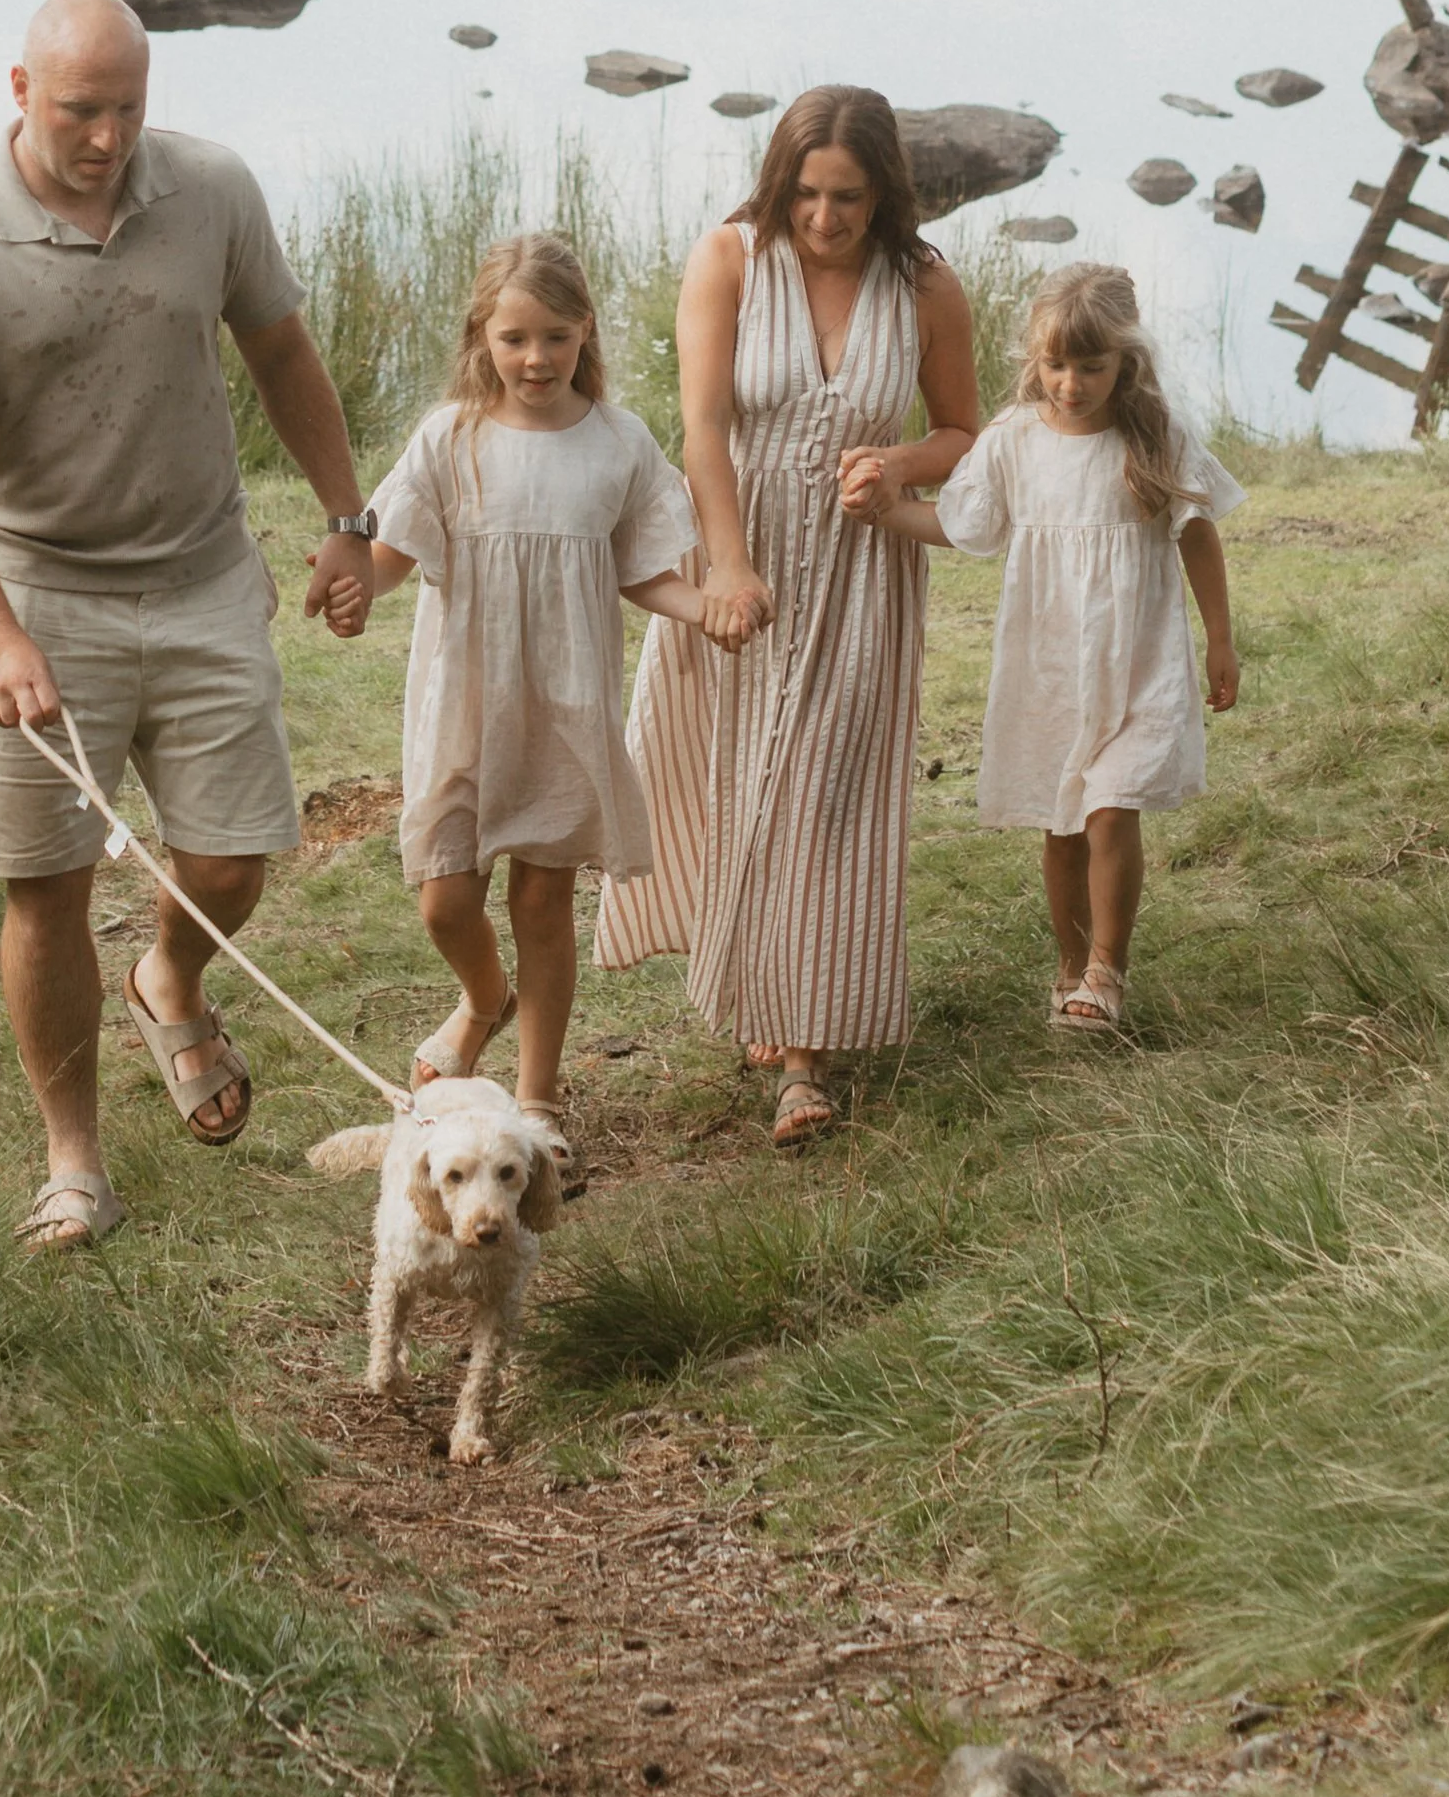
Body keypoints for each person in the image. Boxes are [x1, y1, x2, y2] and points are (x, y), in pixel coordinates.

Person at [0, 0, 379, 1249]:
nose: (108, 138)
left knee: (225, 864)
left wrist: (346, 517)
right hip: (42, 594)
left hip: (205, 574)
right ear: (18, 90)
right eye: (79, 110)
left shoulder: (210, 191)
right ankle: (75, 1162)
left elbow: (282, 352)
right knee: (42, 886)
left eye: (129, 108)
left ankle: (171, 977)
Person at [594, 87, 979, 1150]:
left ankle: (802, 1054)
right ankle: (767, 987)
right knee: (731, 773)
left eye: (847, 198)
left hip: (865, 565)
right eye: (806, 194)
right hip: (741, 548)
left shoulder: (926, 284)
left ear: (884, 192)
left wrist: (900, 462)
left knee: (823, 786)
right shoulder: (729, 259)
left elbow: (963, 432)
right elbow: (704, 429)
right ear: (780, 183)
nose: (823, 219)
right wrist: (727, 565)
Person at [323, 234, 729, 1178]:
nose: (535, 359)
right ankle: (483, 998)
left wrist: (700, 606)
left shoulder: (619, 443)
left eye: (554, 336)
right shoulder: (449, 437)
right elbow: (395, 553)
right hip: (465, 702)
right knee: (443, 897)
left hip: (564, 707)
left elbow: (643, 571)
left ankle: (540, 1098)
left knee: (543, 898)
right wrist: (355, 591)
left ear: (586, 332)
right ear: (483, 337)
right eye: (514, 339)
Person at [855, 259, 1242, 1036]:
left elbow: (1197, 535)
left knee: (1110, 809)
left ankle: (1107, 971)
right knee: (1062, 824)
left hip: (1135, 660)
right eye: (1055, 364)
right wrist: (888, 510)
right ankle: (1067, 967)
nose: (1070, 383)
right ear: (1034, 359)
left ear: (1126, 362)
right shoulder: (1011, 442)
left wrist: (1220, 641)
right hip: (1050, 663)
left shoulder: (1153, 436)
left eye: (1091, 366)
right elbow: (965, 526)